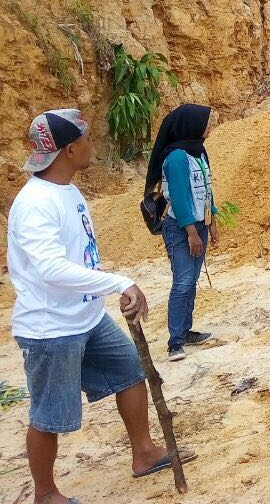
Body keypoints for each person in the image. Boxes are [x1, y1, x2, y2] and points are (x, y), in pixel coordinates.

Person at [9, 109, 196, 504]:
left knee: (129, 372)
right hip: (52, 328)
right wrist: (117, 283)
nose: (92, 144)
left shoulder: (68, 190)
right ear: (70, 148)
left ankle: (144, 453)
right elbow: (50, 268)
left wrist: (103, 290)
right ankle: (45, 493)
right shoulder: (35, 203)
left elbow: (79, 257)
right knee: (49, 414)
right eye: (87, 138)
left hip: (87, 315)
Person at [145, 104, 218, 362]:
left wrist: (212, 220)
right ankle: (175, 341)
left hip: (198, 225)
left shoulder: (197, 152)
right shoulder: (176, 158)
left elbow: (207, 187)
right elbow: (179, 195)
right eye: (206, 123)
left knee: (191, 279)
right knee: (183, 282)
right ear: (191, 125)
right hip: (181, 227)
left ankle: (186, 331)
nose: (209, 128)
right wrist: (191, 232)